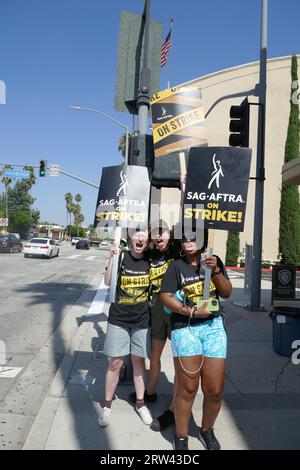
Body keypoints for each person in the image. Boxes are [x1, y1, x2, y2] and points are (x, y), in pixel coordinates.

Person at [160, 232, 232, 450]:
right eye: (184, 238)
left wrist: (216, 271)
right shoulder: (176, 267)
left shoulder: (213, 261)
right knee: (188, 388)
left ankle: (206, 430)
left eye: (193, 237)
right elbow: (165, 297)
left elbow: (226, 293)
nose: (188, 241)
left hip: (213, 327)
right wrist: (188, 311)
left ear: (203, 239)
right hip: (185, 327)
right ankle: (181, 436)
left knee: (215, 389)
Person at [98, 229, 152, 427]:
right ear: (131, 239)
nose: (140, 239)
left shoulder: (150, 261)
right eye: (138, 236)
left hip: (142, 320)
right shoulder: (122, 257)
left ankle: (140, 404)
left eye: (145, 238)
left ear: (147, 244)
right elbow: (107, 281)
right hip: (119, 318)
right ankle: (106, 406)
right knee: (115, 363)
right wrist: (112, 258)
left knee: (139, 361)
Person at [128, 220, 179, 432]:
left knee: (179, 361)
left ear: (170, 234)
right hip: (156, 311)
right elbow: (134, 250)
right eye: (155, 234)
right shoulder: (150, 254)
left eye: (163, 233)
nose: (159, 237)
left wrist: (184, 188)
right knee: (154, 356)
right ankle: (150, 392)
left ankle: (175, 409)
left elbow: (185, 216)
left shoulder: (176, 250)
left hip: (177, 310)